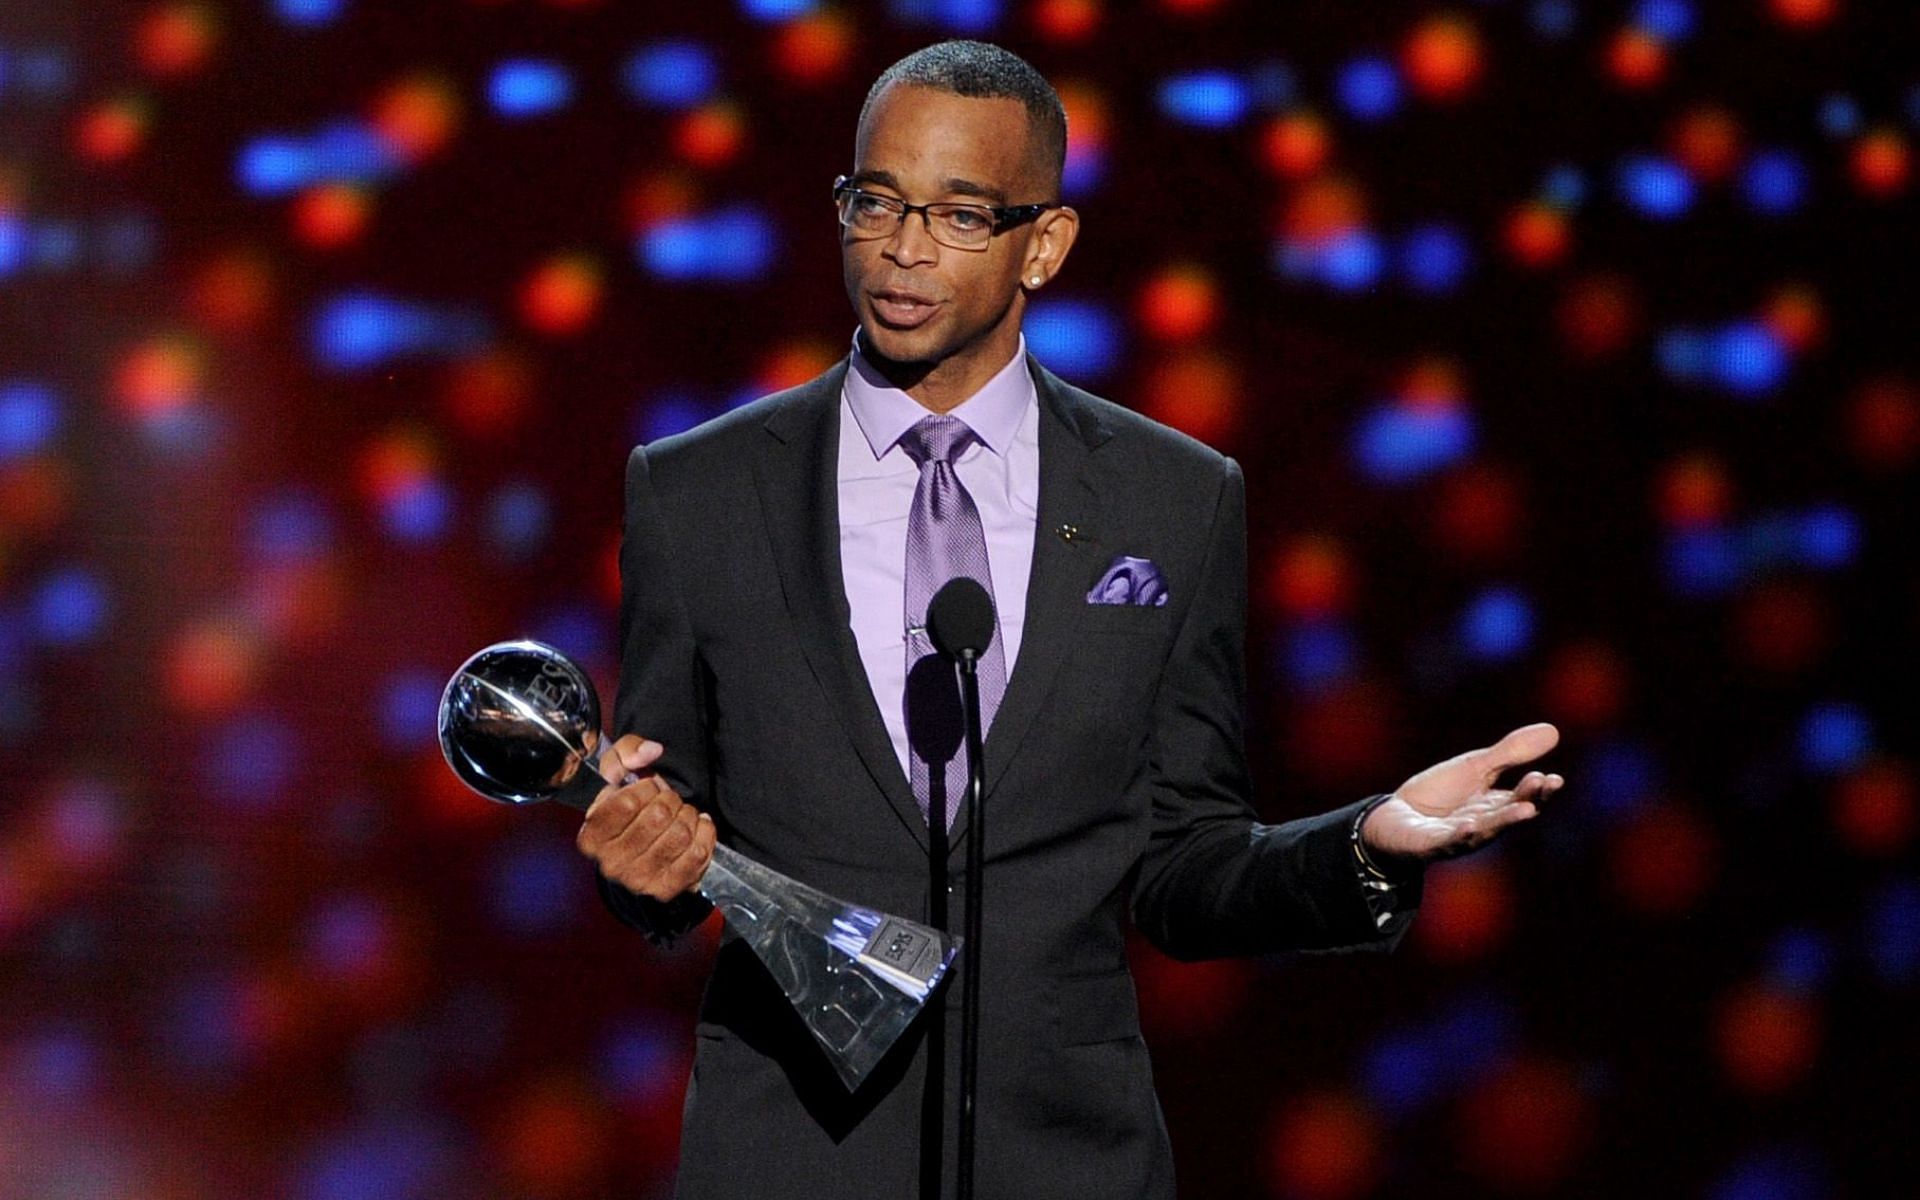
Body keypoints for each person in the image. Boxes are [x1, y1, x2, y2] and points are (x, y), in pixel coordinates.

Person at [574, 39, 1565, 1200]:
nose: (901, 249)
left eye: (958, 216)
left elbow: (1180, 864)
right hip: (792, 1159)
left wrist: (1368, 840)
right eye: (876, 201)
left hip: (1062, 1162)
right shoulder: (700, 493)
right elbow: (659, 816)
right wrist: (632, 864)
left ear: (1044, 243)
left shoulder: (1175, 500)